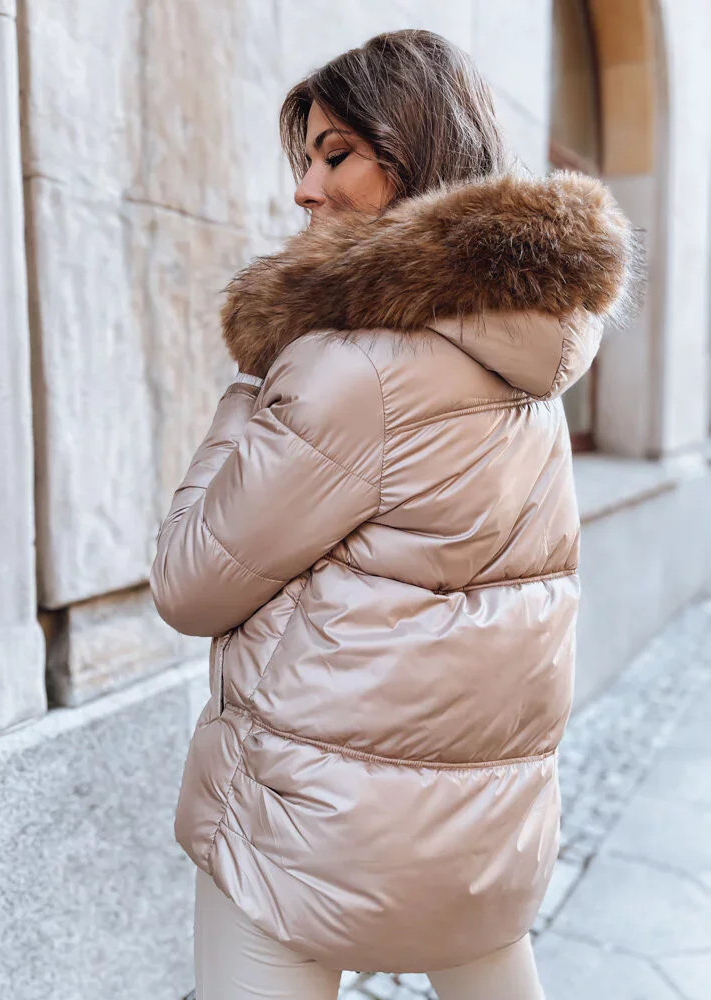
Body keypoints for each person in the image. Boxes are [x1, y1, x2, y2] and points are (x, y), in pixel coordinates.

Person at [150, 28, 644, 1000]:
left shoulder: (350, 370)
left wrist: (253, 381)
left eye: (335, 155)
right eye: (303, 160)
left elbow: (187, 583)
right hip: (479, 832)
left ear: (413, 155)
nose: (305, 189)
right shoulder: (530, 356)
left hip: (305, 837)